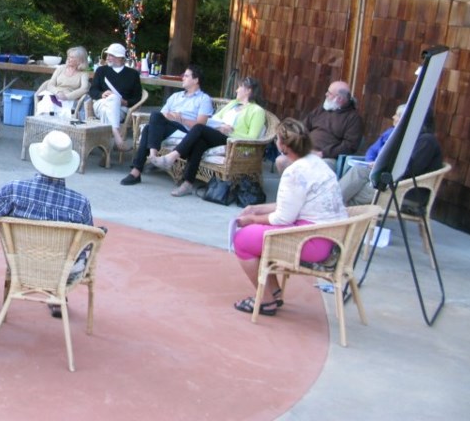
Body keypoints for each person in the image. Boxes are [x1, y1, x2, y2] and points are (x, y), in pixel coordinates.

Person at [232, 118, 347, 317]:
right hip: (329, 237)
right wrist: (257, 209)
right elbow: (293, 205)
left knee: (243, 239)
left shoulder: (294, 172)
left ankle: (266, 301)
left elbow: (282, 218)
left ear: (282, 145)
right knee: (257, 236)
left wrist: (251, 220)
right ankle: (273, 291)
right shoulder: (317, 163)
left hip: (312, 242)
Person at [0, 130, 95, 318]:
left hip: (21, 265)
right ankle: (57, 292)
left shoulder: (14, 190)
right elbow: (88, 246)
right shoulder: (80, 204)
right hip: (61, 273)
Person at [148, 77, 267, 197]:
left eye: (240, 87)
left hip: (232, 141)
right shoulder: (233, 104)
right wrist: (217, 126)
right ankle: (187, 183)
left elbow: (253, 137)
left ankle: (171, 157)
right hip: (217, 133)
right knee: (199, 142)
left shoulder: (257, 111)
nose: (236, 90)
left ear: (248, 90)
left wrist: (229, 132)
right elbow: (214, 118)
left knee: (199, 127)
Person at [120, 64, 213, 187]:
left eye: (186, 76)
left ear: (196, 80)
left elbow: (201, 125)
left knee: (151, 124)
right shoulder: (176, 96)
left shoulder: (203, 99)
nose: (183, 78)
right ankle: (148, 161)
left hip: (185, 130)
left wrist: (181, 120)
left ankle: (142, 166)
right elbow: (162, 115)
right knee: (151, 124)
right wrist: (171, 115)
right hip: (169, 126)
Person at [338, 106, 443, 206]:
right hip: (392, 181)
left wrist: (383, 167)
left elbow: (409, 170)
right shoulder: (412, 137)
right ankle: (331, 200)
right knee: (359, 170)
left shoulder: (426, 141)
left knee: (356, 195)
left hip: (407, 191)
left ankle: (335, 213)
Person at [276, 80, 362, 174]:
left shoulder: (353, 118)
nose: (326, 94)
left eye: (329, 93)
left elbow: (350, 146)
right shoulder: (322, 109)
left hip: (327, 158)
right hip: (305, 151)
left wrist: (322, 153)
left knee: (314, 169)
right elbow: (302, 128)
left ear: (339, 98)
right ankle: (290, 188)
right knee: (281, 161)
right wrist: (296, 145)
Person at [88, 42, 142, 150]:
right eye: (108, 55)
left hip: (121, 109)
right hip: (100, 103)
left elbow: (137, 97)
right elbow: (92, 90)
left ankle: (105, 149)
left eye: (111, 55)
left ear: (121, 58)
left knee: (110, 104)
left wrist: (126, 102)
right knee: (112, 98)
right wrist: (101, 94)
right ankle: (117, 136)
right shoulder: (101, 70)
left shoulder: (133, 74)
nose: (108, 58)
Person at [34, 46, 90, 116]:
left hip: (70, 99)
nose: (68, 59)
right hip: (54, 94)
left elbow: (84, 89)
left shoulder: (83, 74)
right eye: (68, 56)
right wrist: (57, 92)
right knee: (47, 101)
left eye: (72, 57)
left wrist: (67, 97)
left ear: (80, 60)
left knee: (65, 108)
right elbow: (50, 84)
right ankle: (43, 122)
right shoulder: (60, 69)